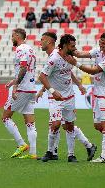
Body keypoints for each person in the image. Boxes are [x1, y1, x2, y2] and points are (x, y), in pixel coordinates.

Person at [66, 31, 105, 163]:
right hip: (97, 94)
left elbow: (94, 71)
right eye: (100, 42)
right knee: (98, 126)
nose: (101, 45)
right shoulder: (98, 51)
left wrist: (75, 64)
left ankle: (104, 156)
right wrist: (68, 47)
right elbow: (80, 54)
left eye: (104, 43)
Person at [38, 34, 97, 162]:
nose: (75, 48)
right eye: (72, 46)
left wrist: (79, 85)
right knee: (56, 124)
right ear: (64, 45)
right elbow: (42, 76)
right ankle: (49, 151)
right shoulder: (53, 58)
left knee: (70, 125)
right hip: (56, 98)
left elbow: (68, 73)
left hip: (69, 96)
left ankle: (71, 155)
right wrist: (52, 91)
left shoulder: (70, 57)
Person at [2, 28, 37, 159]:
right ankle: (33, 153)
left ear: (17, 36)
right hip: (31, 88)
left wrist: (16, 86)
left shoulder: (21, 49)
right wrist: (14, 81)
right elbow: (26, 69)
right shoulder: (30, 49)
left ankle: (21, 144)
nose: (11, 39)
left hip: (22, 89)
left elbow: (23, 67)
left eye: (12, 36)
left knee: (5, 117)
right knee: (30, 122)